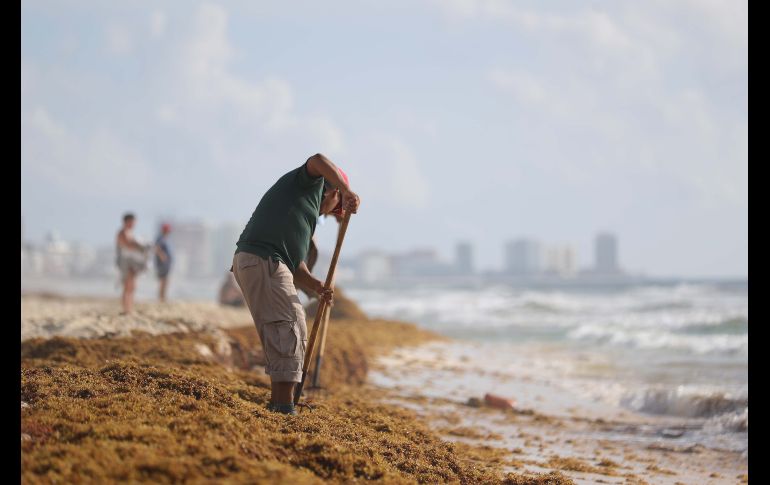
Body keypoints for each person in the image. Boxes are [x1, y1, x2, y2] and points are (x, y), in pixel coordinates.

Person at [231, 153, 360, 415]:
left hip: (267, 261)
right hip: (263, 259)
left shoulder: (306, 216)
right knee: (288, 328)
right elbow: (318, 159)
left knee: (290, 328)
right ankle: (283, 407)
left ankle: (282, 403)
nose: (330, 215)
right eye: (335, 207)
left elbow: (296, 264)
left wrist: (316, 285)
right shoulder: (308, 184)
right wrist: (348, 190)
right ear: (332, 191)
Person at [116, 213, 149, 315]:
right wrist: (140, 246)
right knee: (128, 286)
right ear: (126, 221)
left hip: (131, 262)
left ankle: (129, 308)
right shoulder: (122, 233)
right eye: (132, 222)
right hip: (126, 262)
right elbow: (127, 245)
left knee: (132, 286)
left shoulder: (130, 233)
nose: (134, 224)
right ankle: (126, 309)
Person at [154, 223, 173, 302]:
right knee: (163, 280)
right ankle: (162, 298)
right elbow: (156, 248)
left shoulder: (165, 238)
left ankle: (163, 297)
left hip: (166, 263)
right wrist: (163, 257)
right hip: (162, 264)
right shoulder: (160, 238)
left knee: (165, 281)